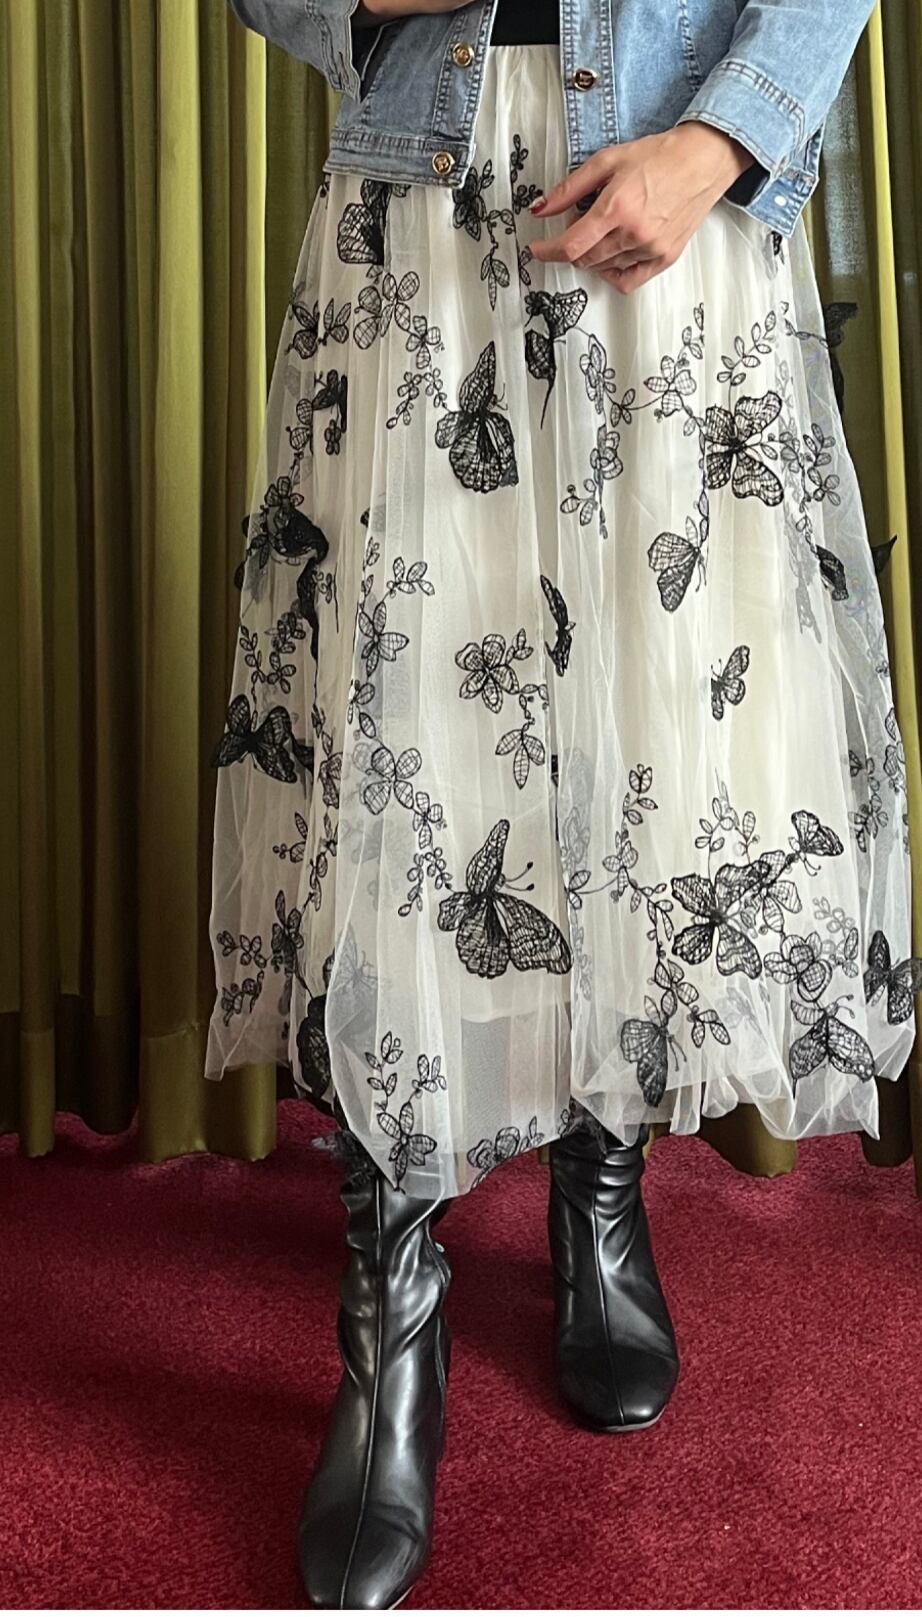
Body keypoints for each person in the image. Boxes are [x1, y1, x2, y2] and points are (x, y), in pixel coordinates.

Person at [207, 0, 918, 1607]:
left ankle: (599, 1186)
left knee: (646, 722)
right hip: (420, 208)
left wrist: (720, 141)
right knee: (408, 741)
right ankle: (390, 1318)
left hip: (668, 204)